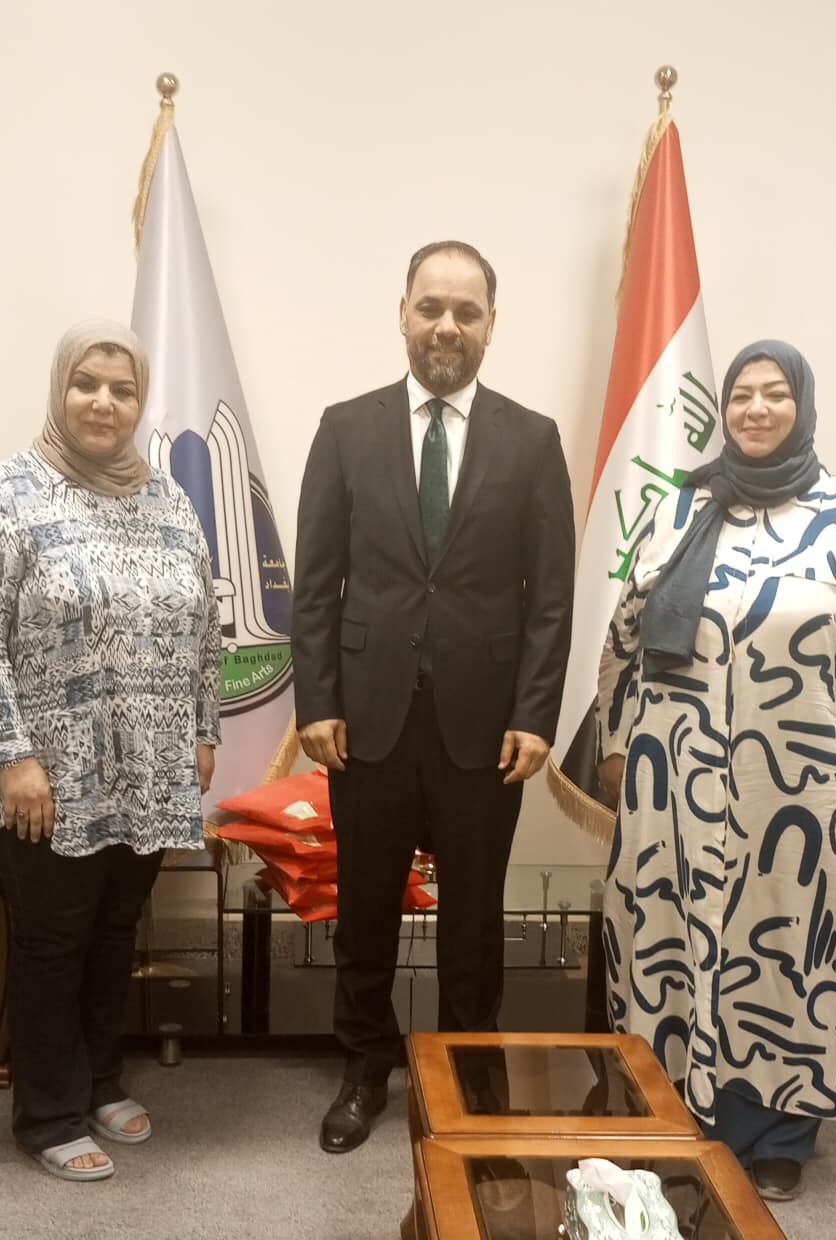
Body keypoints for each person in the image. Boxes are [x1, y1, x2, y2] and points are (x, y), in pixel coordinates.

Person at [597, 340, 836, 1201]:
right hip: (671, 778)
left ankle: (779, 1133)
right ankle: (667, 1110)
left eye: (776, 394)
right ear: (725, 411)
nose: (757, 408)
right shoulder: (679, 510)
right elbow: (622, 641)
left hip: (798, 790)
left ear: (802, 406)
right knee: (664, 937)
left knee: (787, 952)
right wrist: (616, 744)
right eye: (742, 394)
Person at [292, 240, 575, 1152]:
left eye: (466, 310)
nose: (447, 325)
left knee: (475, 917)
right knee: (366, 907)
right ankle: (363, 1068)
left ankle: (469, 1075)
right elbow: (316, 584)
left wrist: (535, 715)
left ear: (491, 325)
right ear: (403, 314)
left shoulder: (532, 439)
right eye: (431, 307)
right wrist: (316, 701)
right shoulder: (346, 428)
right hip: (366, 721)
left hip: (485, 729)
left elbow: (551, 596)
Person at [0, 321, 221, 1180]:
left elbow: (206, 624)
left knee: (114, 930)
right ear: (61, 387)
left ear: (140, 402)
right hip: (51, 778)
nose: (103, 402)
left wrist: (201, 730)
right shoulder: (16, 493)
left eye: (122, 389)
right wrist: (13, 757)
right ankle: (48, 1113)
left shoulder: (168, 499)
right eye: (86, 383)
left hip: (151, 774)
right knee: (51, 942)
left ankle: (98, 1080)